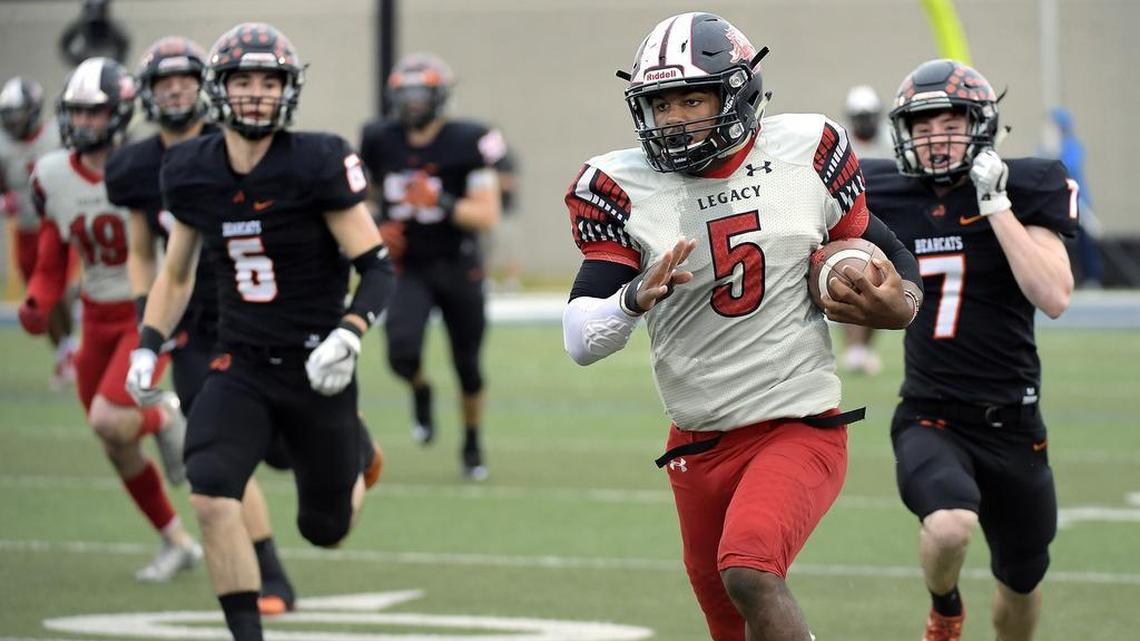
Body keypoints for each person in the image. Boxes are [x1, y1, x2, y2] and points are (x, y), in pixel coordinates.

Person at [561, 13, 923, 641]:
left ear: (738, 91)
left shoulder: (807, 150)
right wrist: (632, 298)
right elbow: (579, 339)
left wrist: (902, 305)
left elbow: (888, 253)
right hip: (698, 441)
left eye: (692, 98)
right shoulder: (619, 185)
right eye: (661, 104)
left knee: (750, 570)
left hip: (798, 423)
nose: (675, 119)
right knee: (728, 623)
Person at [125, 23, 392, 641]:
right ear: (219, 90)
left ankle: (357, 451)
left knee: (324, 530)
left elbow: (376, 268)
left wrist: (349, 333)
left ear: (286, 92)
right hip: (238, 362)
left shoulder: (317, 161)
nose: (254, 93)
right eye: (241, 80)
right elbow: (175, 272)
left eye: (267, 82)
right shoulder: (190, 169)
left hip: (315, 366)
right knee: (212, 492)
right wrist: (148, 342)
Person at [863, 59, 1076, 641]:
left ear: (980, 125)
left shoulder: (1028, 185)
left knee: (1022, 584)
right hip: (932, 415)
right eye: (922, 125)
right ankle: (945, 608)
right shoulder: (884, 189)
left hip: (1015, 425)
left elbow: (1053, 296)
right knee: (951, 526)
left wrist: (997, 205)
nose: (935, 137)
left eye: (949, 122)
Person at [105, 35, 296, 615]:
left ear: (205, 87)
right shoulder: (137, 165)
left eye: (186, 80)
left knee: (287, 452)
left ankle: (346, 445)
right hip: (189, 320)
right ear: (147, 94)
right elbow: (143, 251)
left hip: (251, 310)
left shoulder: (236, 146)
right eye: (165, 83)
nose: (177, 91)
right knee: (215, 454)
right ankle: (270, 576)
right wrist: (147, 322)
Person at [17, 57, 202, 582]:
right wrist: (37, 299)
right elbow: (54, 256)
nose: (83, 124)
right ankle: (176, 541)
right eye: (76, 112)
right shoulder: (52, 173)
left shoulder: (150, 164)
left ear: (121, 113)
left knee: (109, 418)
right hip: (95, 316)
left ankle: (163, 416)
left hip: (145, 310)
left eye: (95, 113)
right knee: (113, 440)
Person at [359, 53, 506, 480]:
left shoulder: (468, 140)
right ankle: (421, 390)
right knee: (401, 354)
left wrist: (439, 201)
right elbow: (359, 197)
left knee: (468, 365)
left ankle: (472, 442)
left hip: (459, 265)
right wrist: (374, 225)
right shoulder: (378, 138)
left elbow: (487, 215)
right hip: (409, 266)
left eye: (422, 94)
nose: (414, 103)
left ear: (440, 96)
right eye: (406, 94)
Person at [0, 76, 77, 388]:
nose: (14, 122)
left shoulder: (57, 135)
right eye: (9, 115)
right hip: (27, 230)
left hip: (60, 226)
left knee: (59, 290)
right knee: (39, 302)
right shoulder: (4, 148)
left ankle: (70, 350)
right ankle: (64, 353)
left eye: (18, 113)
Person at [838, 84, 894, 375]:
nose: (865, 122)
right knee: (849, 278)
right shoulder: (842, 141)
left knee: (880, 285)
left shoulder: (891, 140)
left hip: (885, 220)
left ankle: (864, 349)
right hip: (851, 221)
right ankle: (853, 348)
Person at [1042, 107, 1102, 287]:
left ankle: (1092, 278)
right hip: (1055, 202)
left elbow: (1068, 169)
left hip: (1077, 201)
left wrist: (1055, 152)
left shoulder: (1073, 146)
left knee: (1084, 241)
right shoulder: (1044, 147)